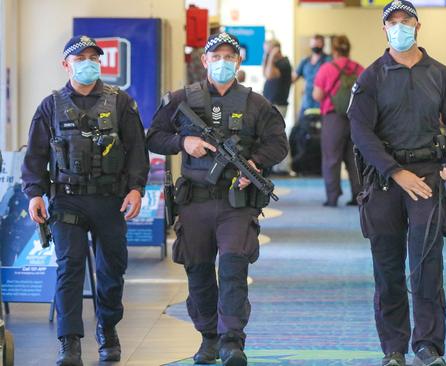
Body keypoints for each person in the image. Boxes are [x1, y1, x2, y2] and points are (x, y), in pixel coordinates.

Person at [146, 32, 288, 365]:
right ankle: (208, 336)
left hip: (236, 201)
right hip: (194, 199)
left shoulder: (256, 104)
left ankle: (232, 340)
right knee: (197, 269)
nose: (223, 62)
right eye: (217, 56)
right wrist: (185, 143)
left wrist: (254, 163)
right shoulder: (182, 98)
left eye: (230, 57)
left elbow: (278, 144)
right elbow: (153, 136)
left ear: (238, 62)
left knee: (234, 266)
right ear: (205, 61)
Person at [348, 2, 446, 365]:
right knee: (387, 267)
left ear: (419, 25)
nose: (400, 27)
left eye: (406, 21)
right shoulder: (372, 77)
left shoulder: (440, 74)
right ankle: (393, 347)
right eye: (393, 23)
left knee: (426, 264)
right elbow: (361, 132)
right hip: (387, 180)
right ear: (383, 29)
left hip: (428, 178)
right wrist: (394, 171)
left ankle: (428, 344)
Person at [21, 35, 150, 366]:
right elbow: (35, 156)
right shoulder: (50, 106)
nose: (89, 63)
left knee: (111, 270)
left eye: (94, 57)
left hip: (110, 201)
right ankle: (70, 342)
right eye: (81, 59)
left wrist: (136, 188)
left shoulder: (121, 102)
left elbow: (137, 150)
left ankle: (107, 329)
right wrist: (35, 193)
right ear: (66, 65)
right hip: (67, 201)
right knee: (70, 268)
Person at [313, 35, 363, 207]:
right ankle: (358, 195)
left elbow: (317, 95)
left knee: (331, 159)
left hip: (333, 118)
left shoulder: (327, 68)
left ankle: (332, 197)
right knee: (354, 158)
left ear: (333, 50)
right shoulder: (359, 69)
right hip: (356, 119)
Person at [293, 34, 331, 117]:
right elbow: (293, 78)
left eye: (318, 43)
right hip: (306, 102)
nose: (315, 45)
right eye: (313, 43)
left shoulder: (329, 60)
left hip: (322, 102)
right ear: (310, 44)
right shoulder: (305, 61)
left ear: (323, 44)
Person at [262, 39, 293, 118]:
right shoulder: (274, 63)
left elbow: (269, 75)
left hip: (278, 106)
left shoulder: (284, 63)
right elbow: (264, 74)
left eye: (268, 51)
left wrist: (271, 57)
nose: (267, 54)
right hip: (270, 104)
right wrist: (266, 56)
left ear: (276, 50)